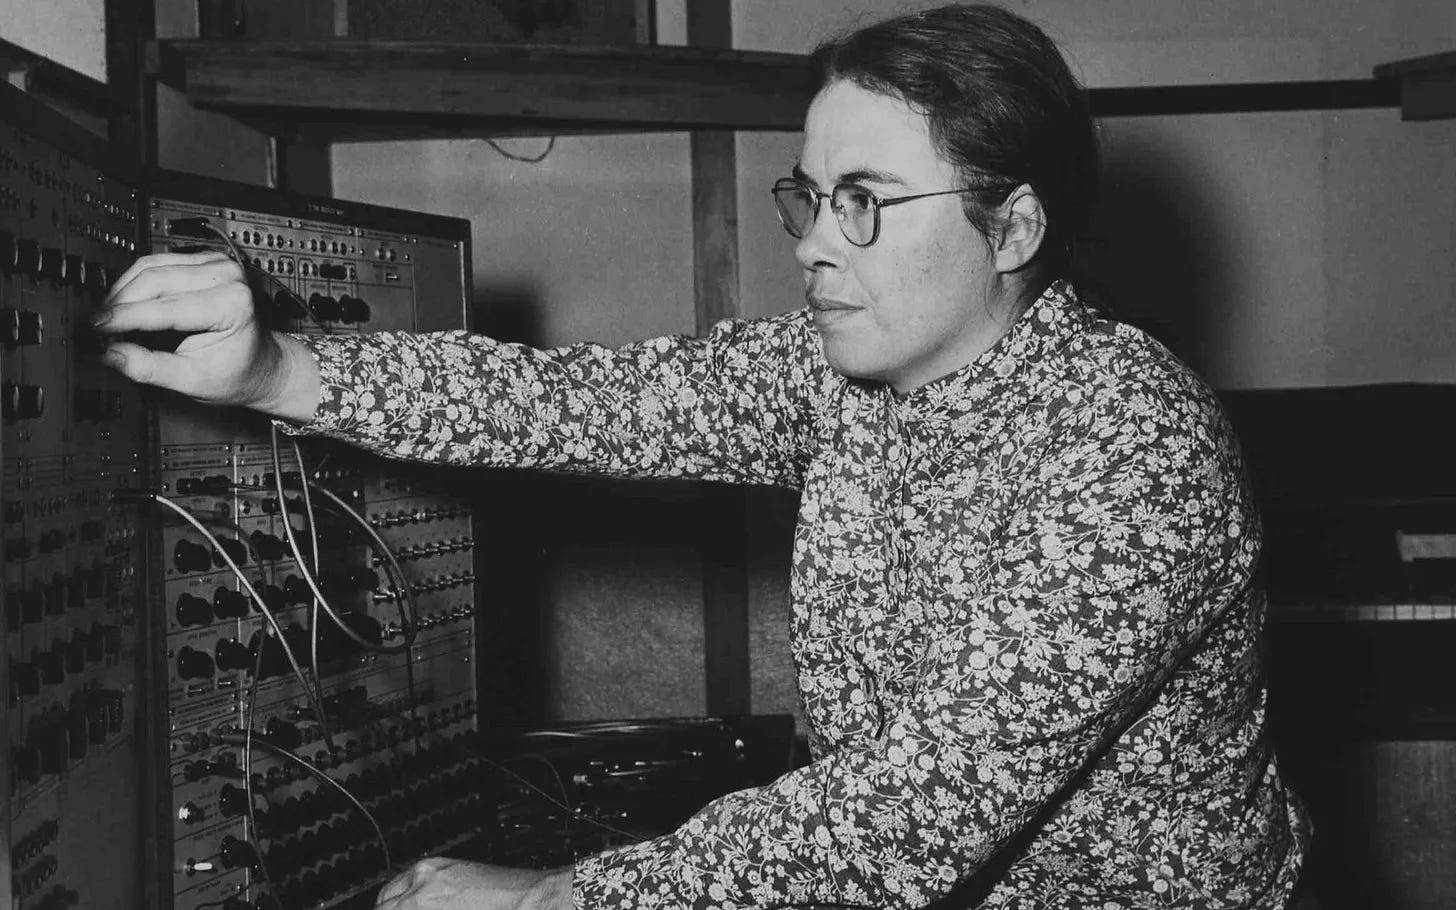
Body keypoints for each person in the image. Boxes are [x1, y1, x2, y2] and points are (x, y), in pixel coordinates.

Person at [95, 4, 1312, 908]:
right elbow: (573, 404)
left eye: (866, 201)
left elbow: (907, 818)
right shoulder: (842, 369)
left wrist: (558, 897)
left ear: (1014, 227)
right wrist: (278, 373)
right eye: (809, 196)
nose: (815, 244)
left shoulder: (1133, 450)